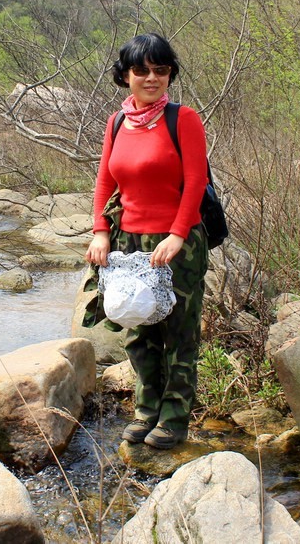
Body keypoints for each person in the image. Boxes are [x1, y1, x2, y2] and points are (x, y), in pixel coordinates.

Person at [84, 33, 209, 449]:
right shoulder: (117, 122)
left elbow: (196, 182)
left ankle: (173, 420)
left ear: (170, 73)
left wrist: (177, 233)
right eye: (141, 70)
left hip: (177, 242)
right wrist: (101, 230)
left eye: (161, 69)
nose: (151, 78)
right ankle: (146, 409)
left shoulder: (183, 119)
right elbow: (106, 178)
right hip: (128, 241)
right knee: (137, 328)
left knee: (178, 331)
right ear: (125, 76)